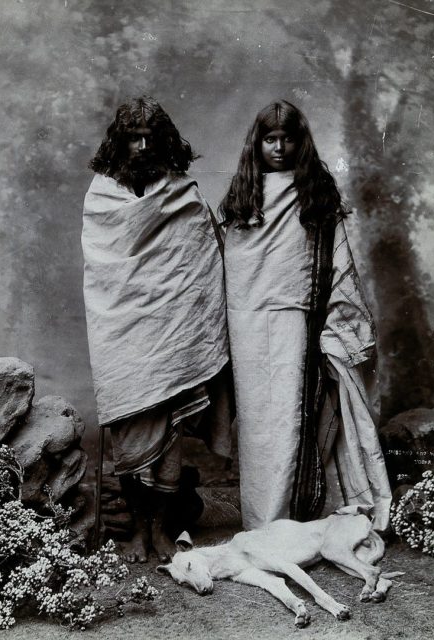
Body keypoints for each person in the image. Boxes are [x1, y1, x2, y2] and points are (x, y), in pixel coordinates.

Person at [220, 101, 391, 532]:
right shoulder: (243, 196)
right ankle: (262, 519)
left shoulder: (315, 192)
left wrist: (332, 320)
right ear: (256, 143)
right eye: (270, 139)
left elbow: (336, 261)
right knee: (259, 422)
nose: (279, 147)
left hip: (299, 317)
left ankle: (290, 517)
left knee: (292, 414)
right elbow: (233, 263)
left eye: (288, 138)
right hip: (248, 321)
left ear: (301, 141)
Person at [82, 96, 232, 562]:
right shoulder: (102, 197)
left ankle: (160, 528)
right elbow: (104, 270)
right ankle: (135, 531)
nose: (142, 145)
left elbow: (204, 261)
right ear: (119, 142)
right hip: (123, 336)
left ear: (164, 140)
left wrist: (184, 316)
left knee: (169, 431)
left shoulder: (183, 193)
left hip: (174, 337)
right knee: (130, 431)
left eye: (151, 136)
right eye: (132, 137)